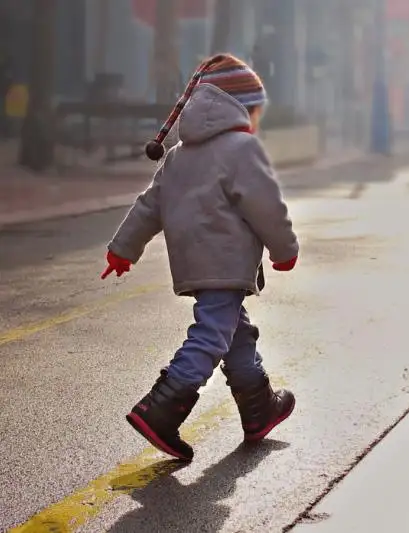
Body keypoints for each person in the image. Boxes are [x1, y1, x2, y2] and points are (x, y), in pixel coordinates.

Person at [101, 53, 299, 461]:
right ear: (237, 108)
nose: (257, 119)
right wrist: (284, 250)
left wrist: (123, 250)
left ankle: (259, 408)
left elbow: (148, 206)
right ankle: (161, 410)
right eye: (256, 109)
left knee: (235, 331)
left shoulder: (176, 156)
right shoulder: (242, 148)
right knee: (212, 335)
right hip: (226, 262)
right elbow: (266, 206)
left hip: (194, 263)